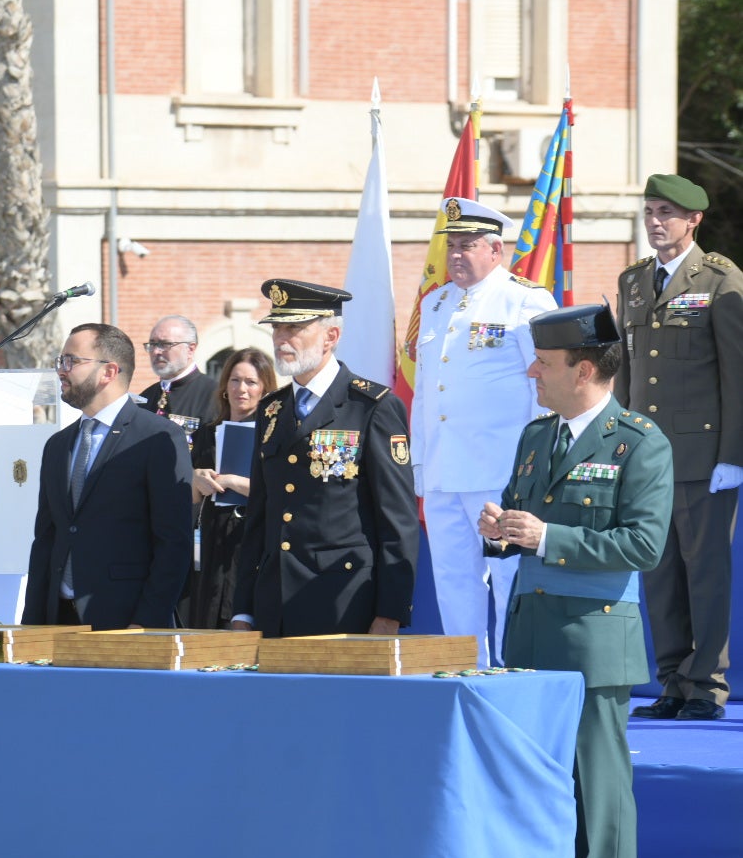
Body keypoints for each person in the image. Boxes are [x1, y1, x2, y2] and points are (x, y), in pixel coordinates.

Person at [477, 303, 673, 858]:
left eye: (545, 363)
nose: (533, 372)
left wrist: (547, 536)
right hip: (530, 630)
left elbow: (644, 544)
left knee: (599, 783)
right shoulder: (538, 437)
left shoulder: (639, 441)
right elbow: (522, 518)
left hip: (593, 637)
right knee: (535, 779)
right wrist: (502, 529)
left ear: (583, 369)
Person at [616, 175, 743, 722]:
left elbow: (737, 375)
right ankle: (670, 681)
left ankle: (706, 686)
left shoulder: (719, 279)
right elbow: (627, 375)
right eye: (649, 212)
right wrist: (619, 445)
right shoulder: (634, 282)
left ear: (693, 220)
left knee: (705, 574)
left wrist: (733, 455)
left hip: (702, 456)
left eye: (666, 212)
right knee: (659, 572)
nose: (654, 222)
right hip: (647, 456)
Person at [411, 197, 555, 668]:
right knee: (453, 578)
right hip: (444, 471)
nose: (455, 254)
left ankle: (512, 671)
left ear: (495, 249)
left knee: (507, 578)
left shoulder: (525, 300)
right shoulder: (434, 304)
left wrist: (537, 467)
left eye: (467, 245)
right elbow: (430, 393)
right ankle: (465, 668)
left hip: (500, 473)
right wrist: (419, 465)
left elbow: (545, 387)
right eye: (451, 244)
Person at [230, 280, 417, 636]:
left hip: (343, 601)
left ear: (331, 336)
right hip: (274, 602)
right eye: (277, 327)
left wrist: (391, 611)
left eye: (294, 328)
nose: (281, 338)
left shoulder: (371, 407)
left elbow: (397, 520)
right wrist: (243, 609)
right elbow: (259, 516)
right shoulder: (271, 409)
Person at [22, 323, 192, 629]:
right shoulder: (58, 445)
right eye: (60, 362)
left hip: (124, 620)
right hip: (58, 621)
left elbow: (173, 543)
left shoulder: (156, 437)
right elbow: (46, 540)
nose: (62, 370)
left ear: (108, 372)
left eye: (71, 361)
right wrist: (32, 624)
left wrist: (145, 623)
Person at [189, 347, 275, 628]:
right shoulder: (206, 433)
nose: (242, 389)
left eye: (251, 382)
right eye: (235, 380)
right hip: (212, 545)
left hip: (250, 545)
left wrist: (234, 482)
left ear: (264, 388)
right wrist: (196, 479)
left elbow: (278, 491)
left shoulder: (273, 436)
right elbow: (188, 498)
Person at [136, 315, 216, 452]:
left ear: (190, 349)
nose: (156, 351)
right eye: (153, 344)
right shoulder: (145, 398)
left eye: (165, 344)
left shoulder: (215, 395)